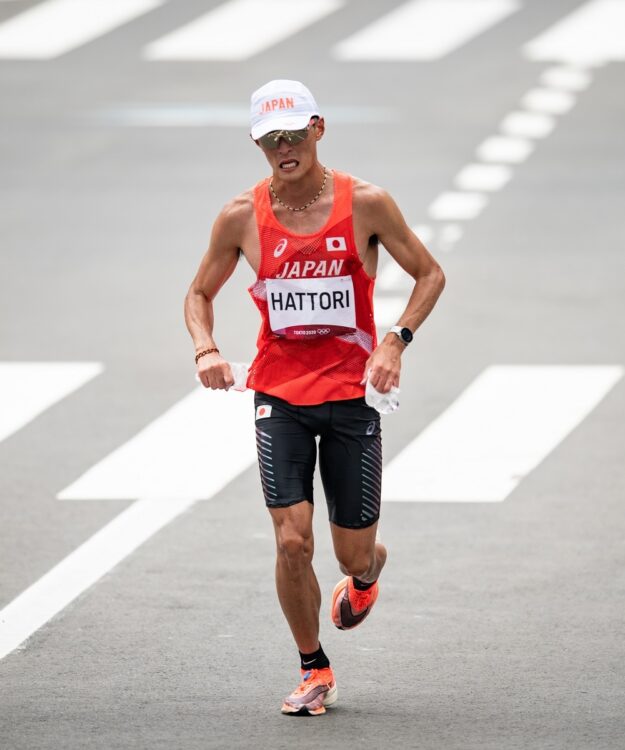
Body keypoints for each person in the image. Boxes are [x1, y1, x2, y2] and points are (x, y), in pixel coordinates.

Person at [184, 79, 445, 715]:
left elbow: (431, 274)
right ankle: (314, 667)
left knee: (351, 550)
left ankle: (366, 574)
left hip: (353, 395)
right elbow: (198, 295)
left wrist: (394, 341)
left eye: (295, 134)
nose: (284, 148)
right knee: (292, 542)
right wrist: (206, 349)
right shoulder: (241, 217)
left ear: (319, 129)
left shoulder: (367, 204)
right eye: (271, 139)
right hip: (280, 393)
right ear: (257, 143)